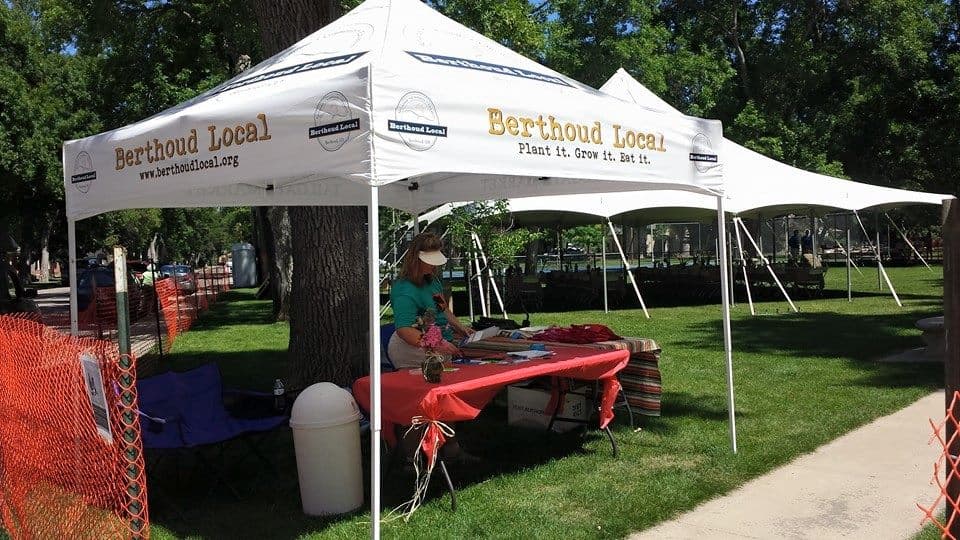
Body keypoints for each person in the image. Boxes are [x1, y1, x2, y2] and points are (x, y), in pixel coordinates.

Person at [388, 232, 473, 370]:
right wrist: (438, 343)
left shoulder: (432, 282)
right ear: (416, 259)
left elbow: (442, 308)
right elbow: (404, 330)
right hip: (412, 351)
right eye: (430, 262)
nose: (434, 266)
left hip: (437, 345)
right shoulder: (404, 291)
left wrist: (460, 327)